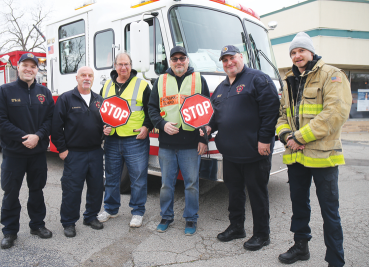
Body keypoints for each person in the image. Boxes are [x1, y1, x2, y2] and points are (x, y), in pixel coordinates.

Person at [276, 32, 352, 267]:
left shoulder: (332, 75)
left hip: (323, 158)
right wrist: (287, 135)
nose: (297, 56)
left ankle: (335, 260)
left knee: (330, 212)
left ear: (310, 52)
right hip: (296, 157)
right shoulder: (289, 80)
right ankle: (301, 247)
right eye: (293, 52)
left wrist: (299, 137)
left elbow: (335, 114)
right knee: (299, 207)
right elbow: (282, 115)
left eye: (301, 51)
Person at [203, 45, 279, 251]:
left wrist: (265, 139)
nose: (229, 63)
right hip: (230, 153)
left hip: (255, 152)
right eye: (225, 60)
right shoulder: (221, 88)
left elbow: (271, 110)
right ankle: (237, 227)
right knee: (234, 192)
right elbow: (217, 116)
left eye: (232, 58)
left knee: (257, 194)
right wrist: (209, 127)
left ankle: (262, 235)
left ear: (241, 57)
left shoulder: (258, 79)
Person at [0, 53, 55, 249]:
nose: (29, 69)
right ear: (18, 67)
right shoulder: (4, 91)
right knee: (11, 193)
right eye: (25, 65)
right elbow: (1, 122)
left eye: (33, 66)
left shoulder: (44, 93)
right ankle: (9, 232)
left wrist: (37, 136)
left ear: (37, 70)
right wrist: (24, 138)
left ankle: (37, 225)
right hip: (14, 154)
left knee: (36, 191)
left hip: (37, 154)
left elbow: (50, 120)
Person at [148, 46, 209, 235]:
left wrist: (204, 139)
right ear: (170, 62)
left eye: (182, 58)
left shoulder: (199, 79)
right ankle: (166, 217)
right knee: (166, 184)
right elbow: (152, 108)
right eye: (174, 59)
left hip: (191, 144)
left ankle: (191, 219)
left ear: (187, 60)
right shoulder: (161, 80)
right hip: (167, 143)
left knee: (191, 184)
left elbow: (207, 111)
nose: (178, 62)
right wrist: (162, 124)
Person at [97, 52, 153, 228]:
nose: (123, 68)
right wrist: (102, 127)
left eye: (126, 64)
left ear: (131, 65)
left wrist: (147, 127)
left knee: (138, 177)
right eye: (120, 64)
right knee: (112, 177)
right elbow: (100, 111)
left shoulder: (142, 85)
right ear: (115, 66)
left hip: (135, 139)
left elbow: (152, 109)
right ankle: (110, 209)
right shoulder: (106, 86)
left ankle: (137, 211)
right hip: (112, 140)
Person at [52, 66, 107, 238]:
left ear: (93, 79)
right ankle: (68, 222)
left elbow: (106, 122)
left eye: (90, 75)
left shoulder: (99, 100)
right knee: (72, 189)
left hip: (96, 152)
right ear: (77, 78)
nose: (87, 78)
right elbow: (56, 126)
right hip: (74, 153)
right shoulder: (66, 98)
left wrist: (107, 129)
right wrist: (62, 149)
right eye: (83, 75)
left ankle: (90, 217)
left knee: (97, 187)